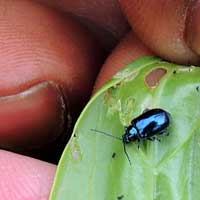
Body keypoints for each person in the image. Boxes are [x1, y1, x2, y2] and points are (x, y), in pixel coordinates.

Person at [1, 1, 199, 199]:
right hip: (161, 115)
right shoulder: (136, 126)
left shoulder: (136, 127)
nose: (128, 138)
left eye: (129, 137)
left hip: (161, 112)